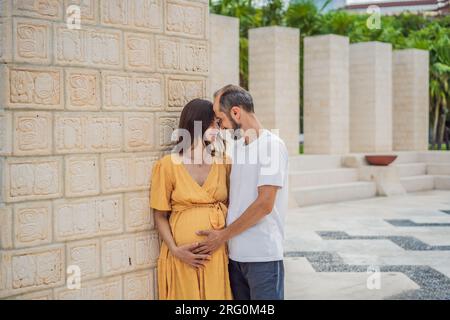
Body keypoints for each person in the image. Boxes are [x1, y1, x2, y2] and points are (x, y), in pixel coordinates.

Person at [193, 85, 289, 300]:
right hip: (235, 257)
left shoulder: (272, 146)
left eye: (221, 119)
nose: (221, 125)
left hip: (262, 257)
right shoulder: (236, 148)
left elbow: (265, 204)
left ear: (236, 112)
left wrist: (221, 236)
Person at [150, 98, 233, 300]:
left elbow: (233, 205)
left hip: (216, 254)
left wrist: (222, 237)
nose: (218, 129)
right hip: (182, 257)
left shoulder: (224, 163)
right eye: (214, 123)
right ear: (197, 123)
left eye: (219, 124)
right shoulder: (168, 165)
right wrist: (176, 250)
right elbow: (159, 215)